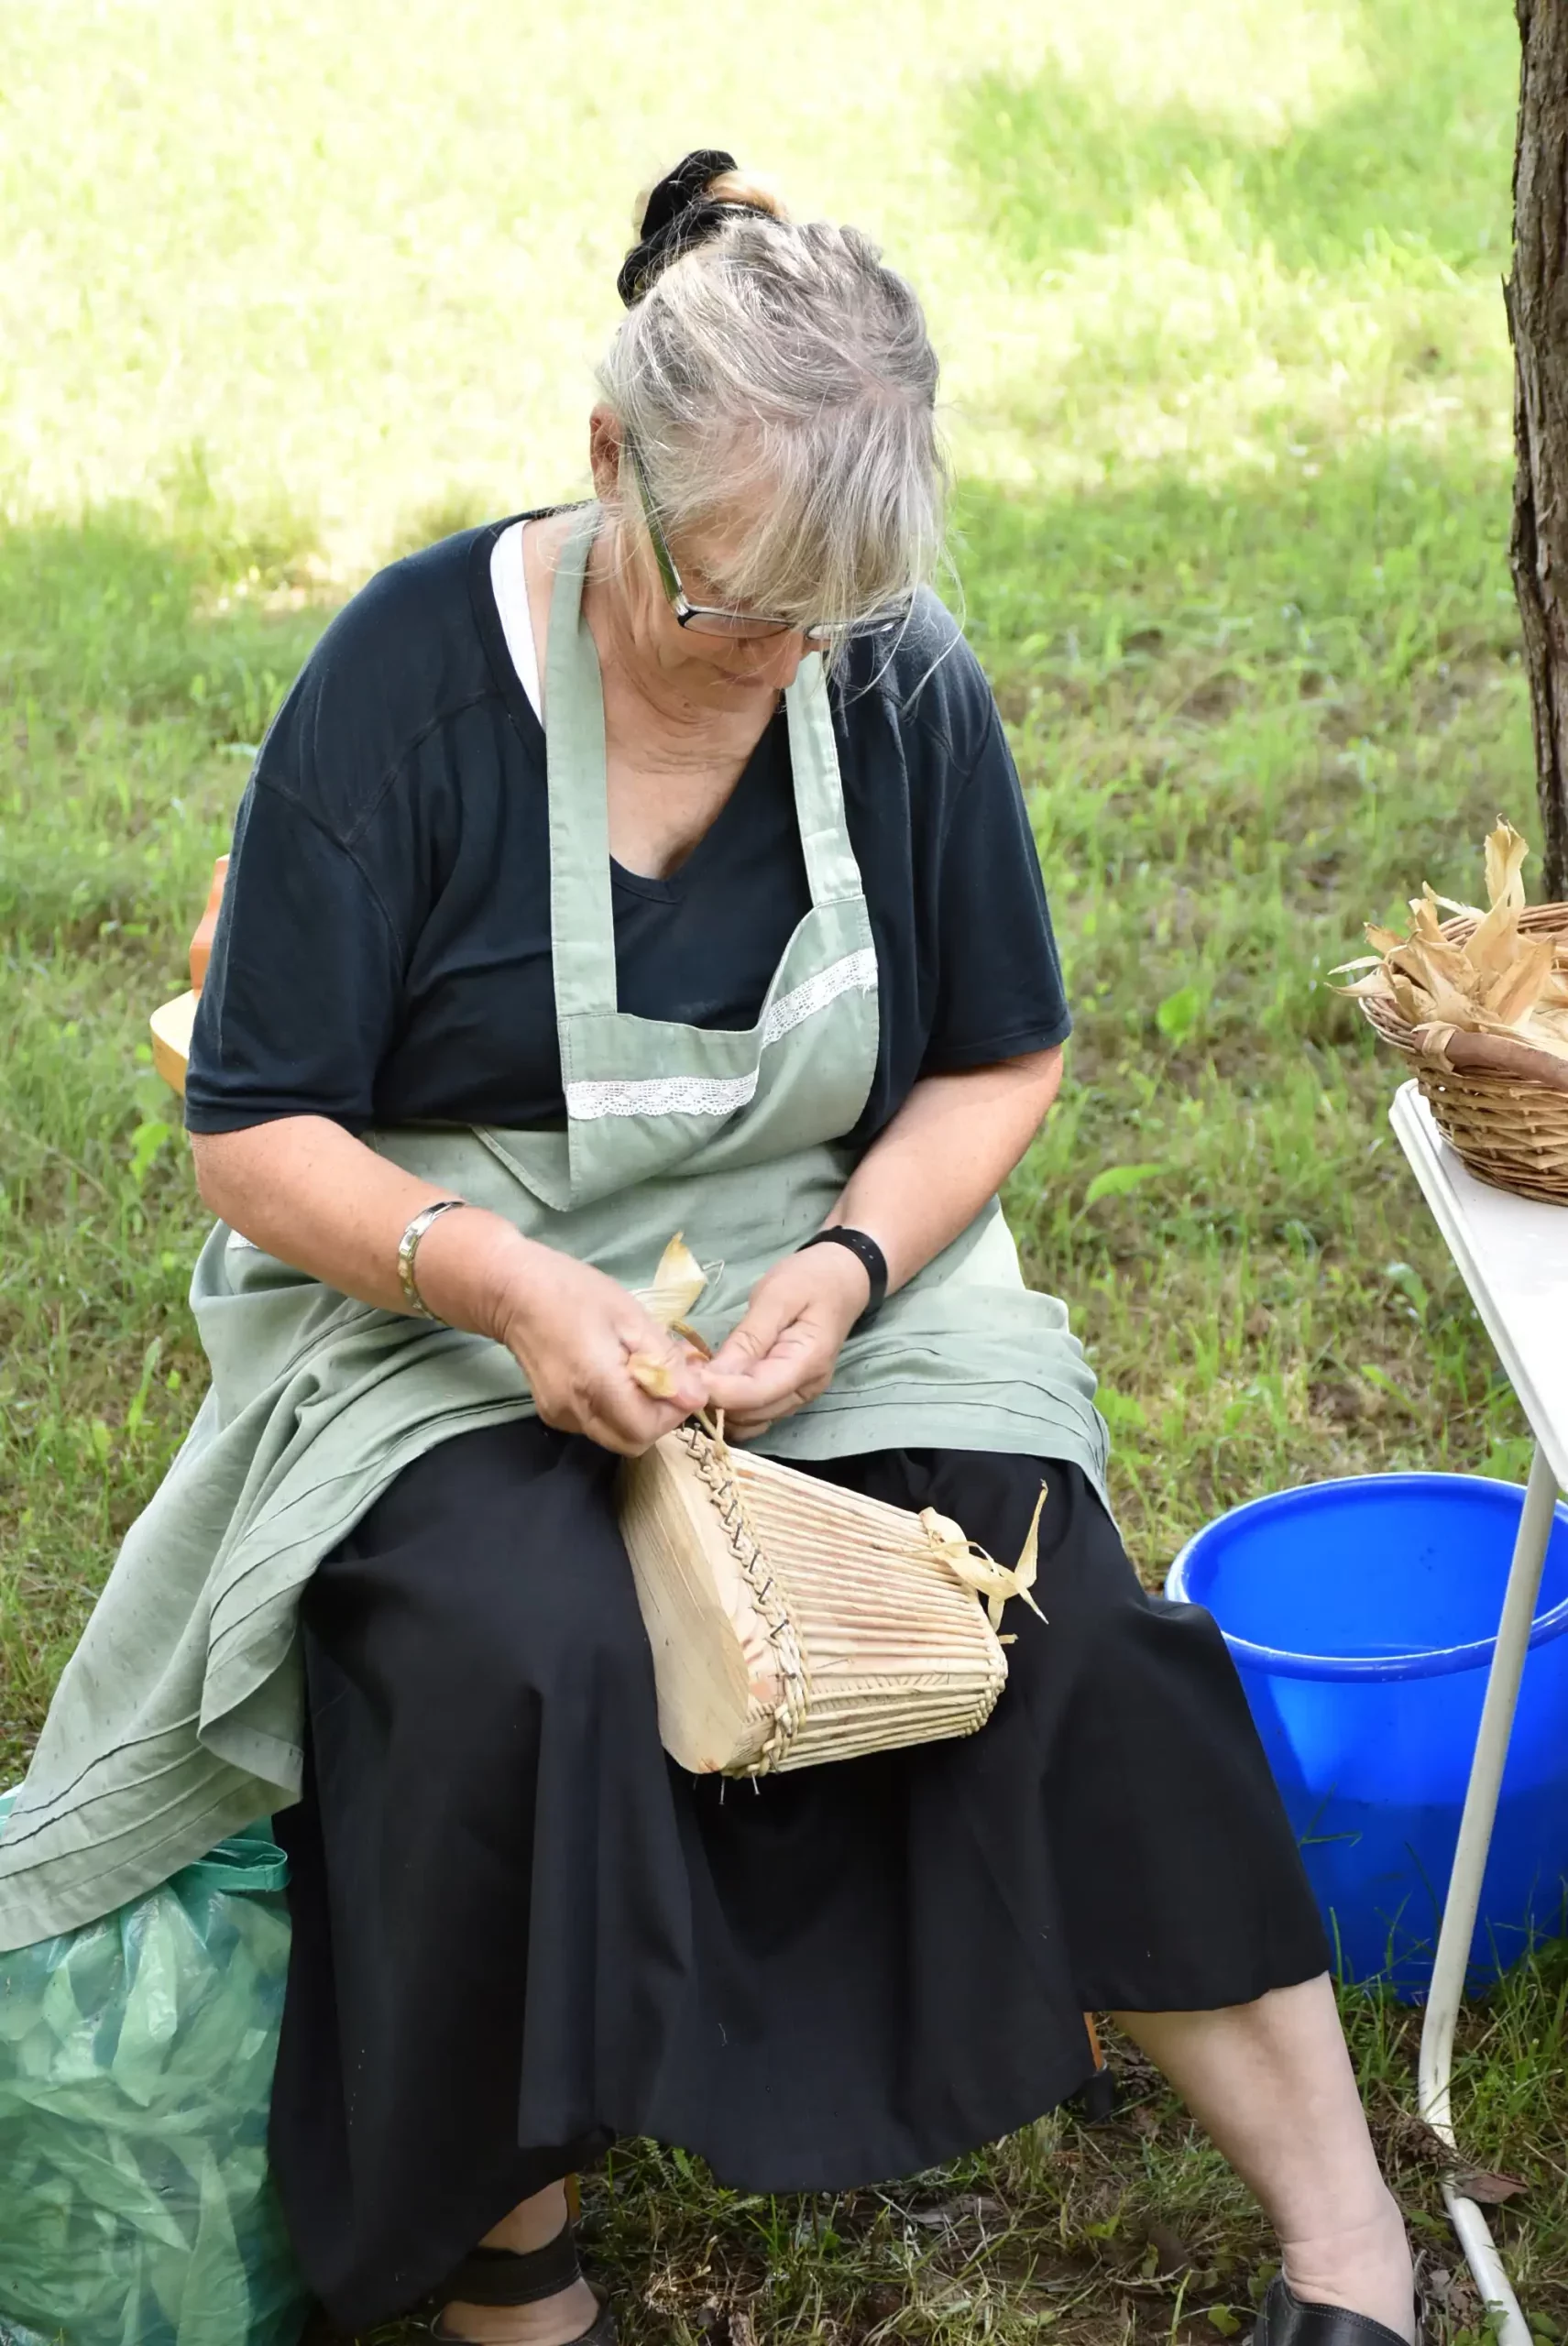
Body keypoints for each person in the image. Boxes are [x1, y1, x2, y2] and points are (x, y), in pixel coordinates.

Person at [0, 154, 1417, 2346]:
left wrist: (849, 1267)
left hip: (815, 1268)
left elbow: (998, 1058)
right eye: (735, 606)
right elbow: (253, 1130)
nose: (781, 664)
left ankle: (1351, 2246)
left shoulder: (889, 664)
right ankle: (515, 2262)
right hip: (436, 1291)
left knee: (1052, 1611)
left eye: (829, 621)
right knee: (521, 1652)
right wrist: (508, 1283)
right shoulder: (408, 681)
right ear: (606, 462)